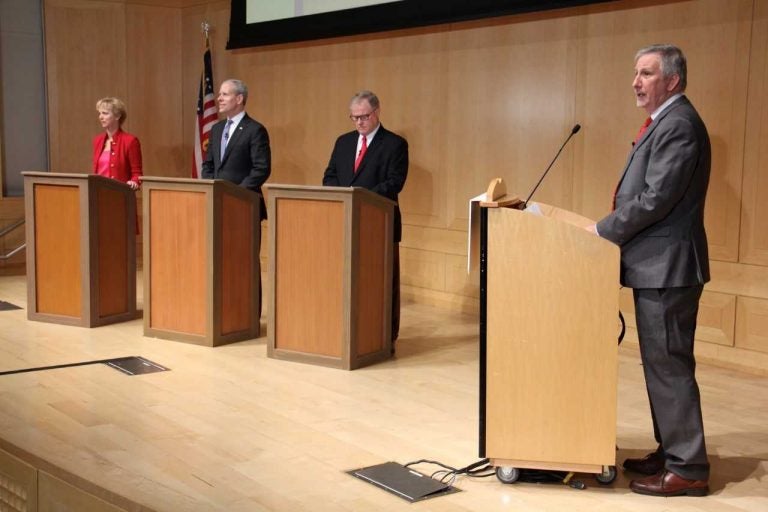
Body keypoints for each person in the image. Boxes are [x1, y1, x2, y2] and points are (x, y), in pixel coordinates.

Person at [587, 44, 710, 497]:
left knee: (670, 366)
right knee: (661, 364)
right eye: (635, 72)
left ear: (672, 80)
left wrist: (601, 230)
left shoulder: (678, 125)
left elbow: (657, 199)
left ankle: (689, 468)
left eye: (646, 73)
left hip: (668, 268)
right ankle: (672, 450)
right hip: (657, 267)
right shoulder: (668, 122)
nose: (636, 82)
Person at [322, 90, 408, 353]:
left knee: (382, 283)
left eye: (364, 116)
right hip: (345, 223)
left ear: (377, 112)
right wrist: (342, 196)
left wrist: (359, 197)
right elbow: (330, 175)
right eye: (354, 117)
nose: (359, 122)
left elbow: (395, 182)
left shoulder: (394, 144)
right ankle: (347, 333)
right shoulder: (343, 142)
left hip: (378, 223)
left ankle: (385, 337)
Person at [202, 78, 271, 316]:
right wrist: (211, 188)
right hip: (217, 205)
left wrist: (236, 195)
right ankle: (223, 310)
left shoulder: (255, 130)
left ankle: (248, 312)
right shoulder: (217, 129)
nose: (219, 98)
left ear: (239, 99)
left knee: (244, 261)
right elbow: (208, 165)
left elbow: (261, 169)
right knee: (219, 260)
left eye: (224, 94)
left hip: (244, 206)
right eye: (219, 94)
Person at [92, 97, 142, 190]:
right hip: (98, 194)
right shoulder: (97, 140)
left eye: (105, 113)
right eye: (100, 113)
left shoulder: (130, 141)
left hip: (120, 195)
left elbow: (137, 174)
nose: (100, 117)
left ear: (117, 116)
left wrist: (134, 182)